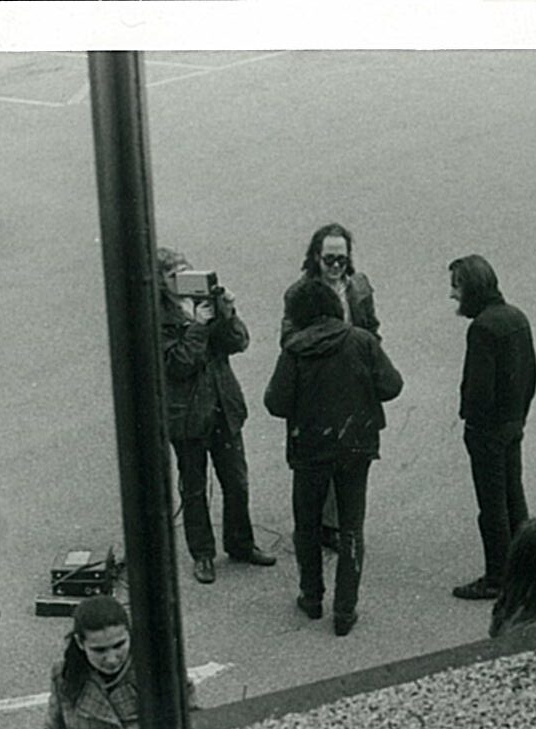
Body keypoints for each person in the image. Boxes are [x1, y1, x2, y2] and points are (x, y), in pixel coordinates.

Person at [264, 278, 404, 636]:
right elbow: (392, 386)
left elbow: (276, 403)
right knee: (352, 526)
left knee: (307, 523)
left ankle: (312, 598)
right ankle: (345, 611)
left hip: (310, 449)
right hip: (356, 444)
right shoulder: (361, 340)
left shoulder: (294, 349)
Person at [158, 246, 277, 584]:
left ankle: (241, 544)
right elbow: (178, 364)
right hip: (188, 416)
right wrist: (198, 327)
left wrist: (228, 313)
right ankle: (203, 554)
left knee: (236, 482)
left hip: (223, 408)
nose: (181, 281)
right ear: (160, 282)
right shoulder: (158, 316)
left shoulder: (205, 302)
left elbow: (238, 343)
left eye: (186, 272)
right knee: (194, 488)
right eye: (172, 275)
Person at [281, 223, 382, 551]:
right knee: (320, 458)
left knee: (347, 453)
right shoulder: (299, 292)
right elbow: (288, 339)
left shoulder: (360, 286)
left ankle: (335, 525)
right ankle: (324, 527)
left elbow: (372, 326)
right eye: (329, 259)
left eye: (341, 259)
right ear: (315, 257)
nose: (336, 266)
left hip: (352, 378)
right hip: (317, 381)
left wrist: (370, 355)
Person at [447, 254, 536, 601]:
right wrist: (520, 414)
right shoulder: (516, 316)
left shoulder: (482, 328)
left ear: (471, 287)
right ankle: (525, 567)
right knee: (514, 496)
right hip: (514, 422)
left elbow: (479, 389)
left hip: (487, 430)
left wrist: (470, 417)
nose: (453, 295)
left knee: (492, 505)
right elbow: (532, 373)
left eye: (456, 286)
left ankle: (497, 576)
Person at [43, 596, 142, 729]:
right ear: (80, 643)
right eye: (99, 650)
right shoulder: (64, 677)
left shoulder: (154, 669)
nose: (111, 659)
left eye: (119, 645)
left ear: (129, 634)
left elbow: (189, 719)